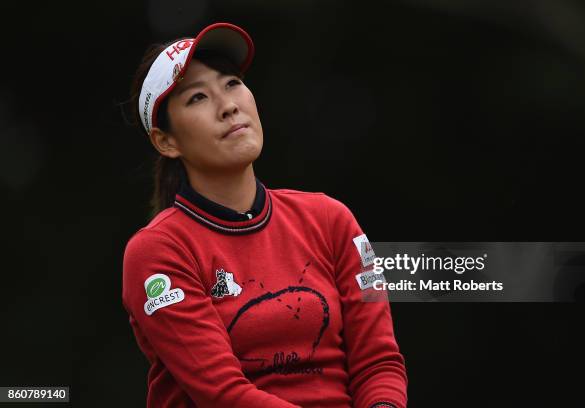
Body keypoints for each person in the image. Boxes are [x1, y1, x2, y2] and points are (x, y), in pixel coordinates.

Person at [122, 22, 408, 408]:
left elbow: (378, 363)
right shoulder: (158, 251)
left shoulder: (331, 219)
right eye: (197, 98)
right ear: (166, 141)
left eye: (232, 83)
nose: (228, 105)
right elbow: (225, 395)